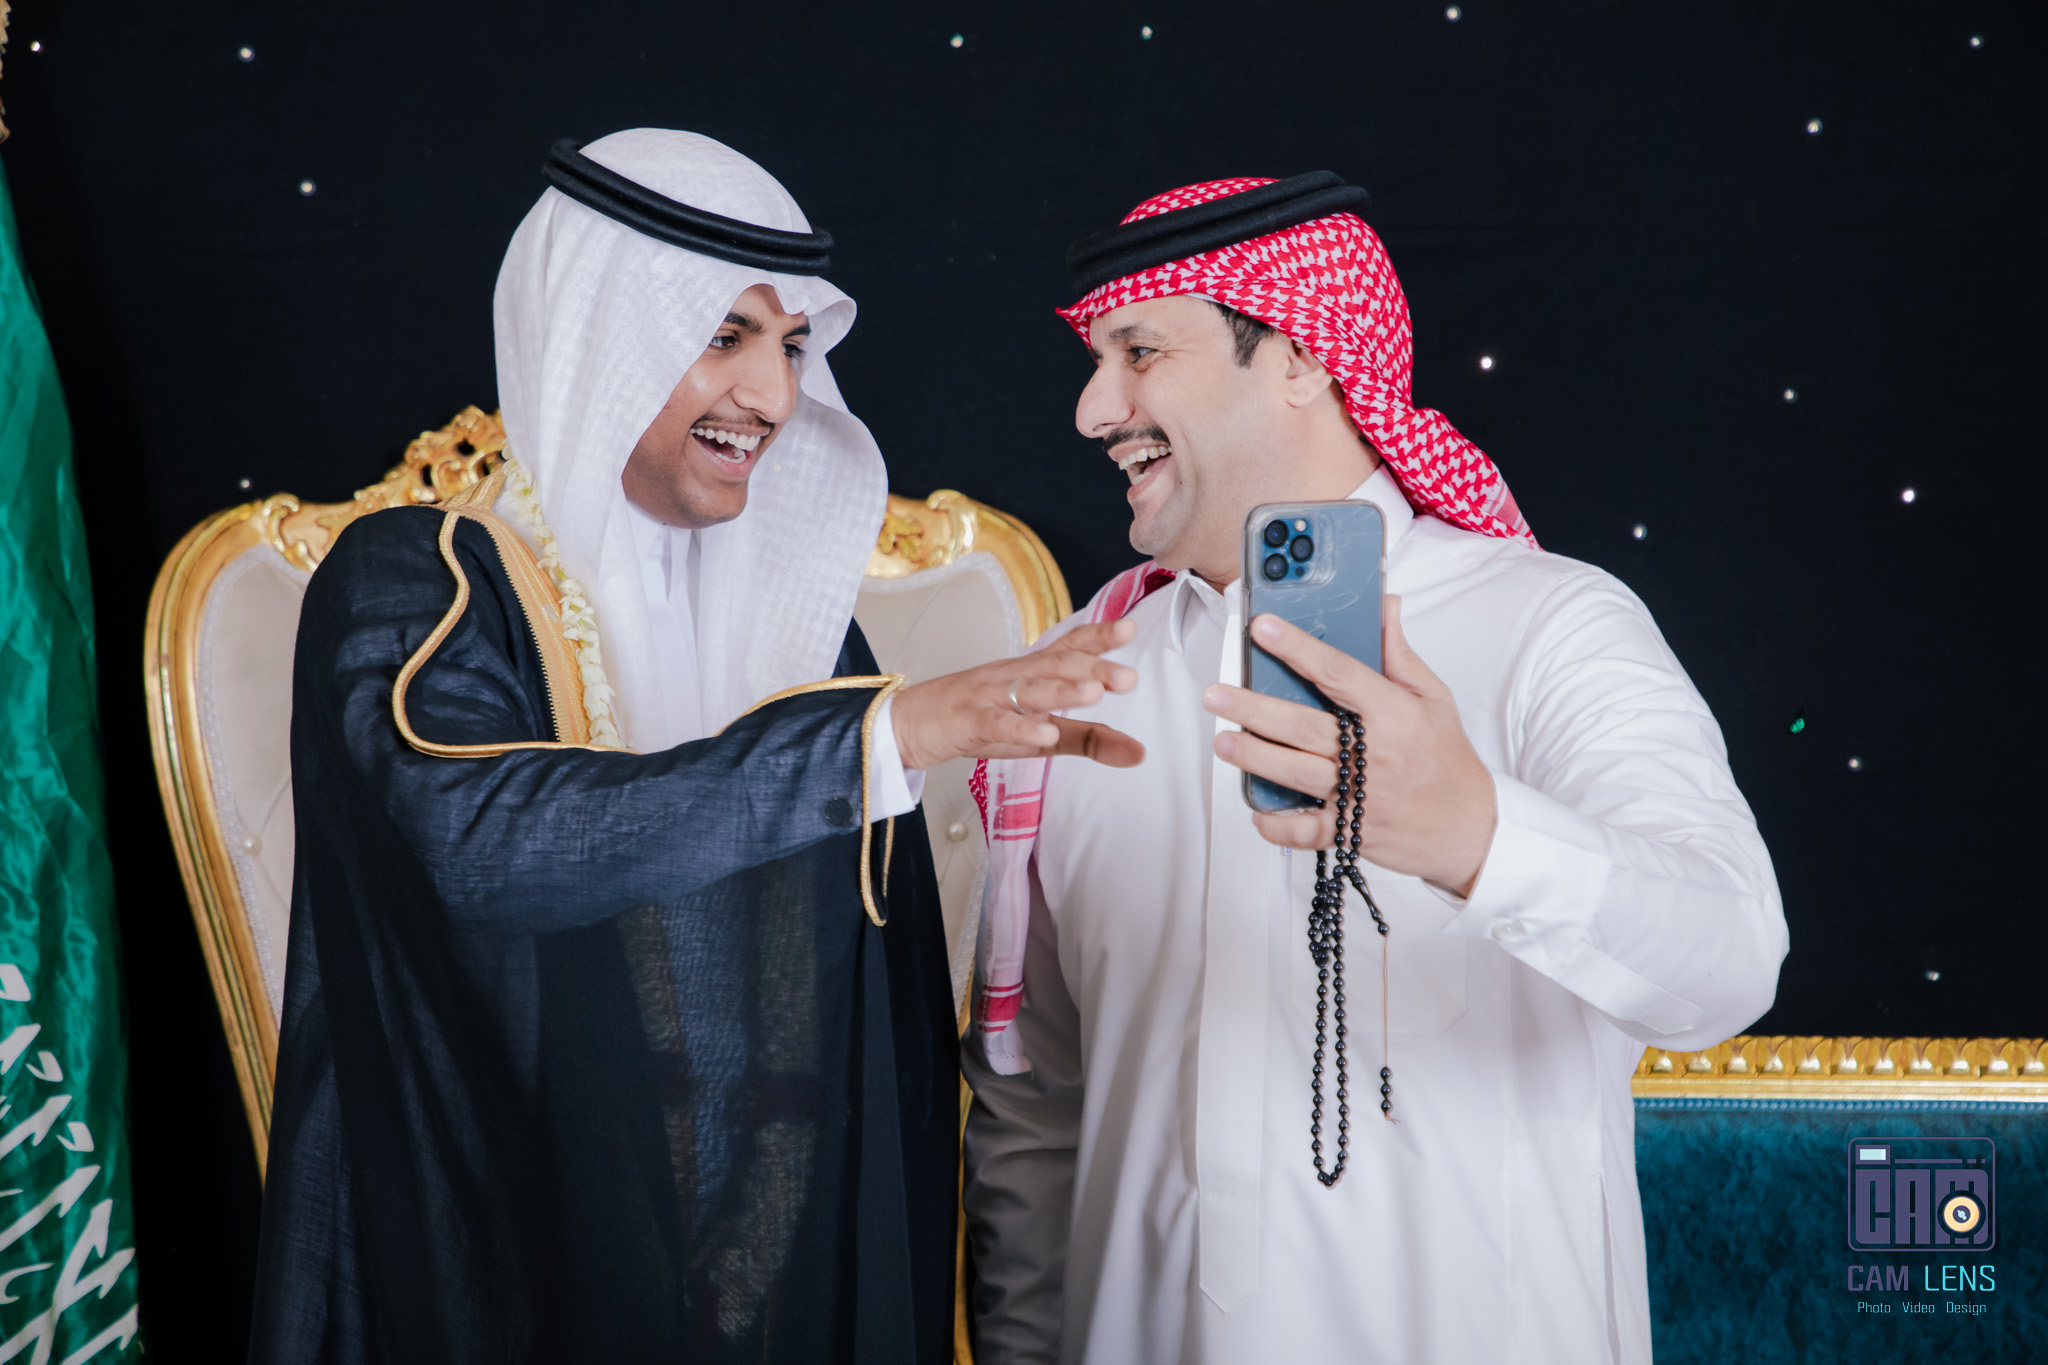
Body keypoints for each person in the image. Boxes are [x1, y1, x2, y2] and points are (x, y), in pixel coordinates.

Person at [251, 129, 1142, 1364]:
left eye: (791, 347)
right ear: (594, 338)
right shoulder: (421, 585)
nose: (771, 398)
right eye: (723, 337)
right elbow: (478, 844)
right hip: (501, 1259)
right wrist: (891, 731)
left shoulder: (804, 633)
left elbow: (838, 1018)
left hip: (773, 1272)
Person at [961, 173, 1787, 1364]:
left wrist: (1475, 836)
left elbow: (1729, 958)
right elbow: (1036, 1121)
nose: (1095, 408)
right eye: (1095, 361)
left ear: (1300, 355)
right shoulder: (1079, 680)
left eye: (1138, 352)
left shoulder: (1550, 625)